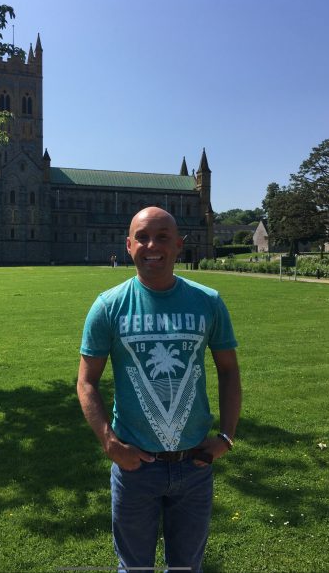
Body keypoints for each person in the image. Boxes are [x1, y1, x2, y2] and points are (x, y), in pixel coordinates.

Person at [77, 207, 241, 573]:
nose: (152, 246)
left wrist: (226, 437)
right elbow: (86, 381)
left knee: (187, 568)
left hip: (195, 464)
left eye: (163, 237)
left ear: (179, 245)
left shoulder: (208, 301)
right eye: (143, 238)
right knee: (134, 568)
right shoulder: (108, 307)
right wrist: (109, 442)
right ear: (128, 246)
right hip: (135, 468)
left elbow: (229, 371)